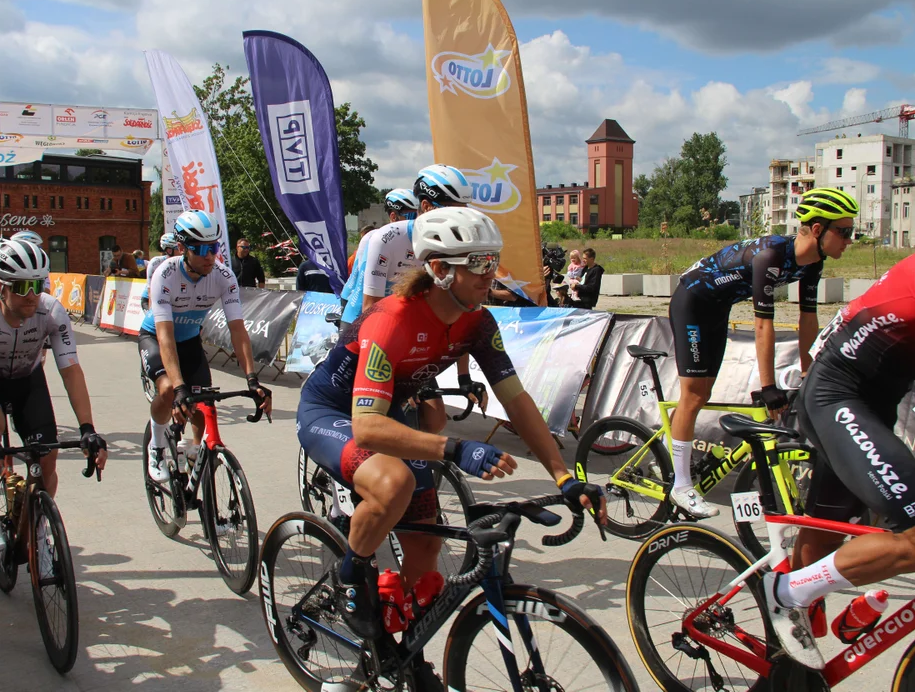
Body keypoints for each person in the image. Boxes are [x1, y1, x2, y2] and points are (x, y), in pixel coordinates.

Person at [297, 207, 606, 667]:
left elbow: (519, 402)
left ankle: (397, 653)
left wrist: (564, 477)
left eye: (494, 261)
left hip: (390, 412)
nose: (491, 275)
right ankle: (349, 579)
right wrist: (456, 447)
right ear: (440, 270)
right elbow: (366, 428)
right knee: (393, 483)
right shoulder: (391, 320)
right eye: (479, 264)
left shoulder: (478, 321)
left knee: (426, 551)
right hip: (334, 412)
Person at [760, 239, 915, 670]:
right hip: (838, 392)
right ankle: (783, 594)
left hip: (877, 398)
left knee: (828, 531)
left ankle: (792, 639)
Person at [667, 187, 857, 518]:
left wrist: (808, 372)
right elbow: (762, 325)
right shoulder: (770, 255)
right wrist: (768, 387)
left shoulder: (813, 263)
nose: (849, 240)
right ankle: (680, 486)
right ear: (817, 230)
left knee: (702, 391)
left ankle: (675, 461)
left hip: (718, 307)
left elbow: (807, 319)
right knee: (694, 396)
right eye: (844, 231)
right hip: (693, 302)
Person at [0, 239, 108, 554]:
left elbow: (71, 371)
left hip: (28, 380)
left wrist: (87, 428)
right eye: (22, 286)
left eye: (37, 284)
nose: (31, 295)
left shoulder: (51, 311)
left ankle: (38, 531)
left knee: (47, 459)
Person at [138, 211, 272, 483]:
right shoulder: (165, 274)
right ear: (183, 248)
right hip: (156, 337)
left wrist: (252, 379)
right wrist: (177, 387)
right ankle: (157, 445)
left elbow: (238, 330)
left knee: (203, 402)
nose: (210, 256)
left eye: (214, 247)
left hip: (188, 342)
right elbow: (165, 337)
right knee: (167, 391)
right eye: (201, 249)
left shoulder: (223, 276)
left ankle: (196, 451)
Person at [339, 172, 464, 330]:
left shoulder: (451, 242)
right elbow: (370, 306)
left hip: (402, 318)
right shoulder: (384, 237)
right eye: (451, 211)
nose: (459, 219)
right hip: (360, 318)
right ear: (426, 207)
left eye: (464, 212)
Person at [140, 233, 181, 311]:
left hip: (169, 300)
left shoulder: (182, 262)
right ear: (169, 250)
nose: (182, 251)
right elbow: (150, 291)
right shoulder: (156, 262)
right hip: (150, 299)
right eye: (178, 248)